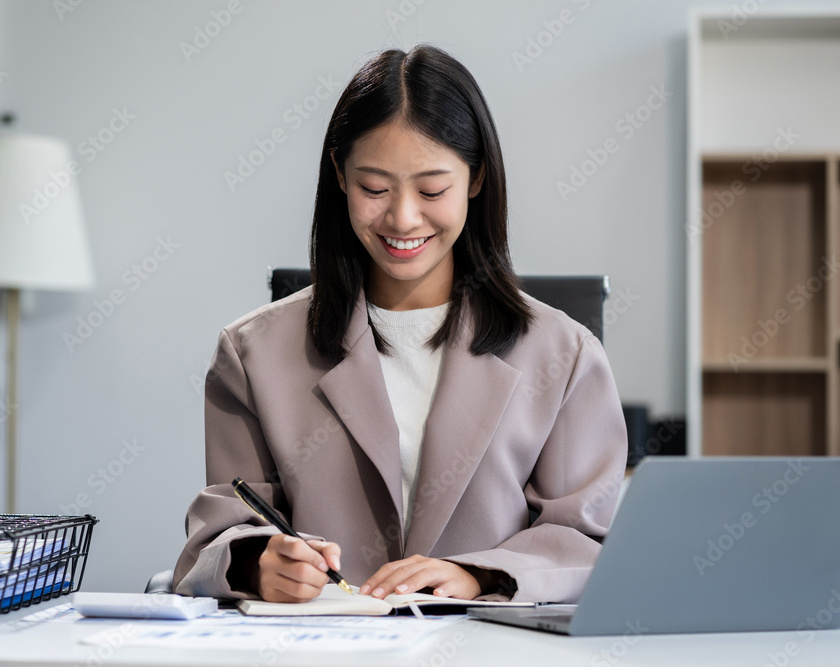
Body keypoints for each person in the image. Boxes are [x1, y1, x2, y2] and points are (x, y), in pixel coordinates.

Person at [173, 44, 626, 605]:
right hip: (319, 641)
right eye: (374, 188)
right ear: (340, 176)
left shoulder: (565, 354)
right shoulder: (251, 354)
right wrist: (255, 562)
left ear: (477, 178)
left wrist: (479, 575)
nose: (403, 218)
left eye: (432, 190)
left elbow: (583, 541)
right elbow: (217, 535)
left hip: (487, 643)